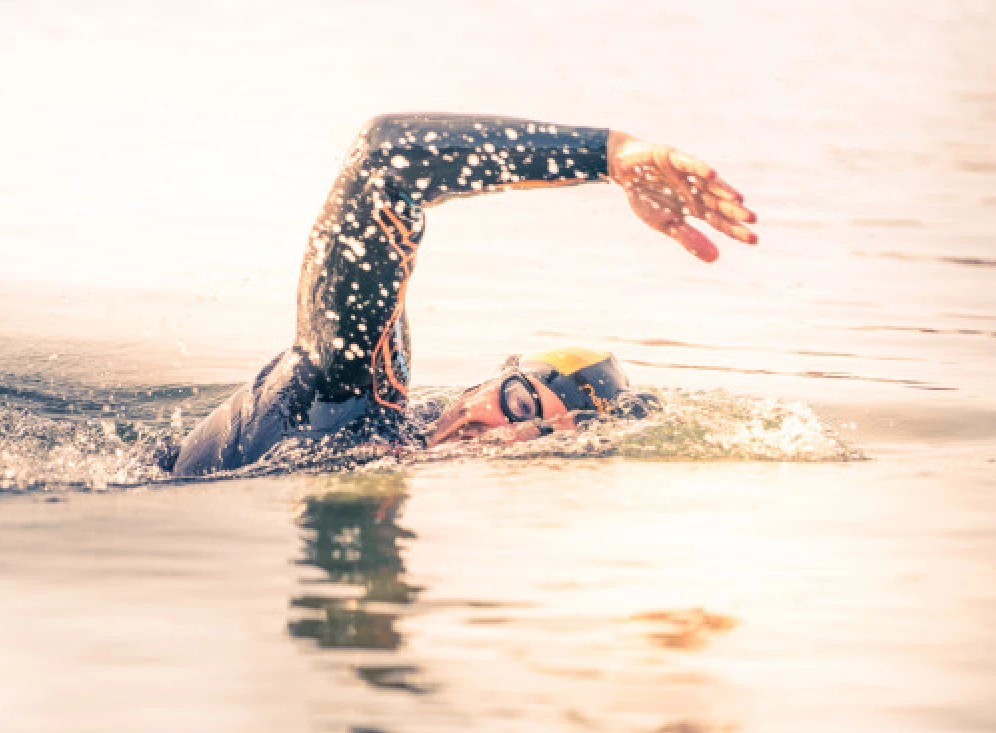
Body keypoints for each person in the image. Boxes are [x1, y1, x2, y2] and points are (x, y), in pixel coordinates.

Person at [171, 113, 758, 477]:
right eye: (520, 405)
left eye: (544, 438)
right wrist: (608, 156)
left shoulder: (403, 465)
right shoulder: (351, 393)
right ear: (483, 384)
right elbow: (384, 161)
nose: (507, 434)